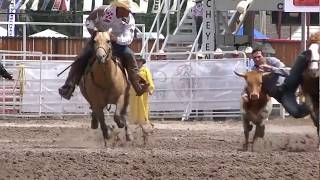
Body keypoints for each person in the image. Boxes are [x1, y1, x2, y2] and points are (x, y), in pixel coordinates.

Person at [58, 0, 149, 100]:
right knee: (82, 57)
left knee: (129, 55)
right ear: (121, 8)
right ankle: (69, 86)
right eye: (128, 10)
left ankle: (138, 86)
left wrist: (116, 39)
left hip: (117, 43)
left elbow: (129, 38)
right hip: (99, 40)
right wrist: (94, 32)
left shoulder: (129, 19)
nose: (130, 12)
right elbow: (89, 21)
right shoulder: (103, 11)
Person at [242, 47, 311, 118]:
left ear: (263, 56)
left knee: (299, 67)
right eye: (255, 58)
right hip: (281, 95)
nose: (257, 59)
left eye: (259, 57)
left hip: (288, 84)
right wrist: (244, 94)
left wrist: (271, 69)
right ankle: (313, 104)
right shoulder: (254, 71)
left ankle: (307, 56)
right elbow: (250, 84)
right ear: (252, 59)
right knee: (297, 113)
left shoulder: (272, 61)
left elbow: (288, 72)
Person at [128, 56, 155, 125]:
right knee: (133, 105)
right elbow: (128, 81)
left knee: (143, 105)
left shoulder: (145, 70)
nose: (138, 62)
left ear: (142, 62)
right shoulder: (132, 70)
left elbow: (149, 80)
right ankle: (134, 120)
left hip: (142, 90)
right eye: (136, 61)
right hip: (133, 90)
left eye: (139, 61)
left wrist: (150, 88)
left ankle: (143, 120)